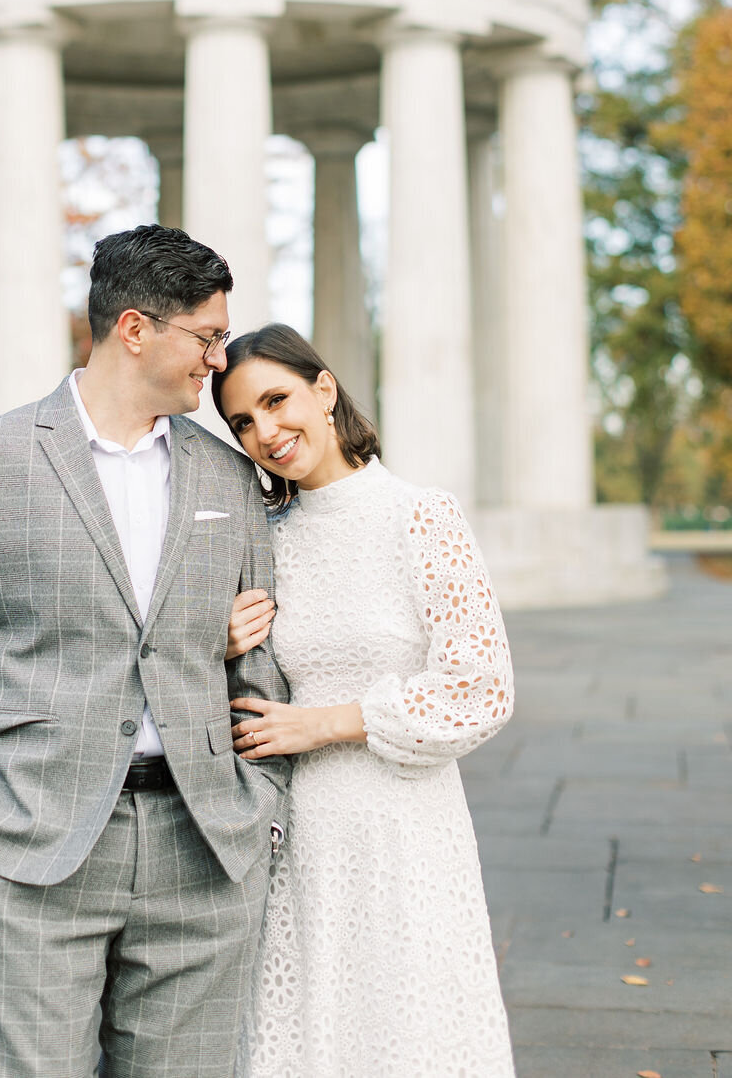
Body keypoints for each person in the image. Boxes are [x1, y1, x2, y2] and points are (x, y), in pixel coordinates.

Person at [0, 227, 290, 1078]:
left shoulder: (227, 478)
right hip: (29, 847)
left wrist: (263, 811)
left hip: (204, 849)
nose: (218, 361)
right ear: (136, 329)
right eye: (207, 337)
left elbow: (257, 665)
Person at [213, 323, 516, 1078]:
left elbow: (482, 688)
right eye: (243, 422)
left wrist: (325, 724)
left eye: (277, 400)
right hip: (296, 836)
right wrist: (214, 646)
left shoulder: (422, 516)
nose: (267, 432)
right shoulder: (261, 538)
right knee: (304, 1036)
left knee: (406, 1034)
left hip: (405, 826)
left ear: (325, 389)